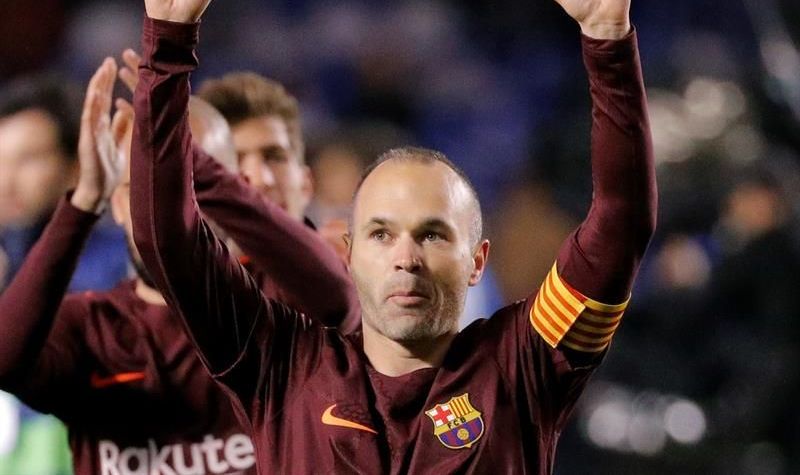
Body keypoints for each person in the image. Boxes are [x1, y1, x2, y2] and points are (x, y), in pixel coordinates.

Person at [130, 0, 656, 472]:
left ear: (477, 261)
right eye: (381, 234)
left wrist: (608, 39)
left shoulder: (525, 362)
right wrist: (167, 43)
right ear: (348, 252)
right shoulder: (279, 364)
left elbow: (620, 224)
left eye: (433, 235)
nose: (407, 258)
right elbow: (167, 243)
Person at [0, 53, 356, 474]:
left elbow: (339, 301)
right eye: (140, 191)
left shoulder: (274, 310)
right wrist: (83, 201)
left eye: (187, 190)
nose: (162, 215)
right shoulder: (91, 326)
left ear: (224, 192)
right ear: (117, 203)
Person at [0, 75, 128, 292]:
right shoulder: (8, 251)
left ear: (77, 166)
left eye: (28, 160)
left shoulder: (118, 262)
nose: (5, 183)